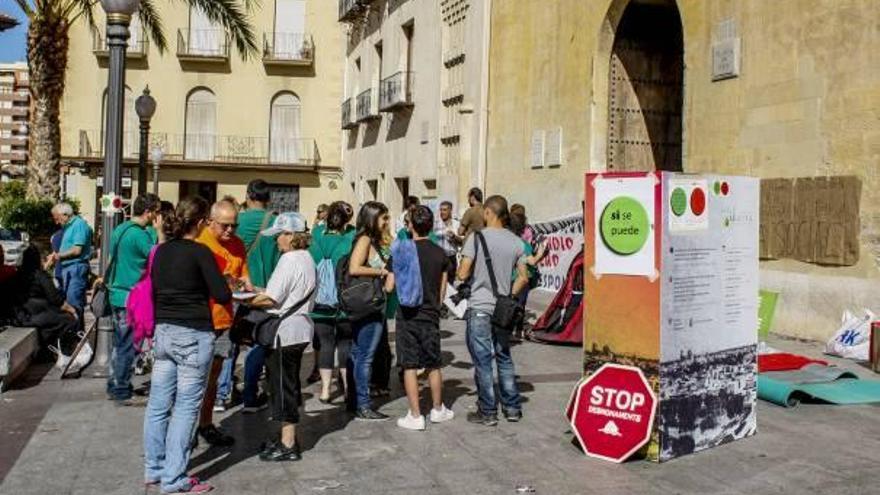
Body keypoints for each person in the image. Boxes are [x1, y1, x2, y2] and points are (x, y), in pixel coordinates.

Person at [143, 197, 231, 494]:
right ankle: (174, 478)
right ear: (202, 221)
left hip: (164, 331)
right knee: (184, 408)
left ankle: (154, 469)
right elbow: (220, 294)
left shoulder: (161, 251)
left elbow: (154, 290)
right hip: (193, 333)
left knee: (157, 404)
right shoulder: (200, 252)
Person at [243, 212, 316, 462]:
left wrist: (242, 299)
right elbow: (286, 292)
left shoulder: (289, 260)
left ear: (292, 236)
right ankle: (287, 437)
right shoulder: (306, 258)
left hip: (285, 332)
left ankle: (288, 444)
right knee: (287, 383)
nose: (277, 241)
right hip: (300, 329)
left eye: (280, 236)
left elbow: (272, 299)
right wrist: (258, 291)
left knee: (283, 387)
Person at [457, 195, 529, 426]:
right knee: (504, 356)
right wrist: (509, 295)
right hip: (502, 308)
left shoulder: (475, 238)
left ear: (488, 212)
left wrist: (463, 269)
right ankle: (512, 407)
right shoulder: (516, 241)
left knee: (483, 360)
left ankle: (488, 411)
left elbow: (462, 273)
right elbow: (524, 277)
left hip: (479, 305)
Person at [385, 206, 455, 430]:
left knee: (409, 365)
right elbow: (442, 290)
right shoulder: (440, 253)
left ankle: (415, 415)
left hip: (406, 314)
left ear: (410, 225)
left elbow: (389, 286)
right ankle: (437, 409)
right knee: (433, 364)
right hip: (430, 314)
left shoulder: (401, 251)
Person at [195, 200, 250, 446]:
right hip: (200, 319)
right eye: (225, 226)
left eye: (234, 226)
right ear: (210, 222)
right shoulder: (199, 243)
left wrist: (249, 288)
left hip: (225, 319)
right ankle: (186, 428)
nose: (230, 231)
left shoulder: (237, 244)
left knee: (214, 376)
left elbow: (244, 275)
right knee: (193, 376)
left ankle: (205, 424)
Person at [106, 194, 161, 407]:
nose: (158, 216)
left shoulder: (120, 229)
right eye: (156, 211)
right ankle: (121, 389)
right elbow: (156, 258)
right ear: (149, 212)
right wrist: (158, 233)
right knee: (128, 345)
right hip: (132, 296)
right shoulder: (140, 236)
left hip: (117, 293)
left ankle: (115, 385)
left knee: (119, 344)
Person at [233, 180, 281, 412]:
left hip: (238, 287)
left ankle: (223, 392)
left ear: (248, 195)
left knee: (231, 341)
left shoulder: (237, 221)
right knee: (261, 342)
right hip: (268, 288)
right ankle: (254, 394)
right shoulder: (275, 222)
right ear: (268, 198)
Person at [348, 201, 392, 421]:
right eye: (384, 218)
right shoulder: (364, 239)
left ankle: (356, 400)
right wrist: (381, 271)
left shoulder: (369, 239)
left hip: (371, 303)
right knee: (365, 357)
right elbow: (354, 268)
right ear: (372, 218)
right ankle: (363, 404)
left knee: (358, 354)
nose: (387, 222)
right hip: (369, 304)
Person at [309, 201, 356, 404]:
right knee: (345, 343)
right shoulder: (351, 236)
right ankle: (346, 389)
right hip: (344, 299)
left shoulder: (316, 235)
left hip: (320, 299)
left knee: (326, 344)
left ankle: (326, 390)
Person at [9, 246, 79, 356]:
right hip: (36, 315)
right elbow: (56, 300)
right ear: (38, 259)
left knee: (51, 322)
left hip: (19, 317)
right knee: (69, 320)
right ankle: (65, 353)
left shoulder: (17, 275)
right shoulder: (40, 275)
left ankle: (47, 352)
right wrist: (73, 310)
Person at [508, 204, 547, 341]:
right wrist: (541, 252)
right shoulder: (523, 245)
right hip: (521, 279)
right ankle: (516, 332)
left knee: (509, 304)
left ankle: (510, 331)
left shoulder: (505, 240)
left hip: (507, 278)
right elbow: (532, 261)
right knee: (519, 306)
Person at [49, 202, 93, 314]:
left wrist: (58, 255)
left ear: (65, 214)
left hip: (76, 267)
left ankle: (78, 330)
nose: (57, 222)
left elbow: (77, 250)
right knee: (70, 301)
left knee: (73, 303)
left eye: (57, 218)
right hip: (69, 267)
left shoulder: (79, 225)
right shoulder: (69, 226)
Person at [434, 200, 461, 284]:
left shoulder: (456, 224)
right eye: (441, 210)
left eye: (445, 210)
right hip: (438, 258)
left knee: (450, 284)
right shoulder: (435, 224)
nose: (442, 212)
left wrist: (454, 236)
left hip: (451, 258)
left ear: (450, 210)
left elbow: (462, 242)